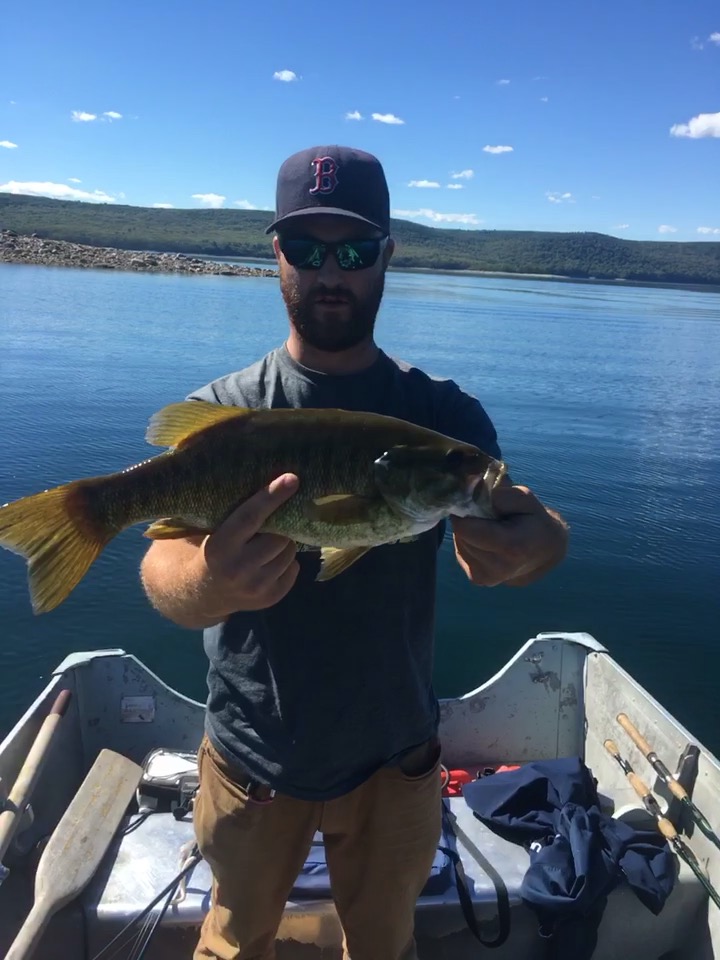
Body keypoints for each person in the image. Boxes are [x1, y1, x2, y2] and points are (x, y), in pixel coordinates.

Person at [140, 145, 569, 960]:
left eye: (353, 250)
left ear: (386, 257)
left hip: (396, 761)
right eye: (306, 249)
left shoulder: (442, 422)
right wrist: (207, 577)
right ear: (276, 256)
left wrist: (538, 545)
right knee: (233, 940)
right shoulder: (225, 413)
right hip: (250, 756)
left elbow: (516, 536)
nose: (328, 270)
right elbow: (163, 575)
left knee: (383, 943)